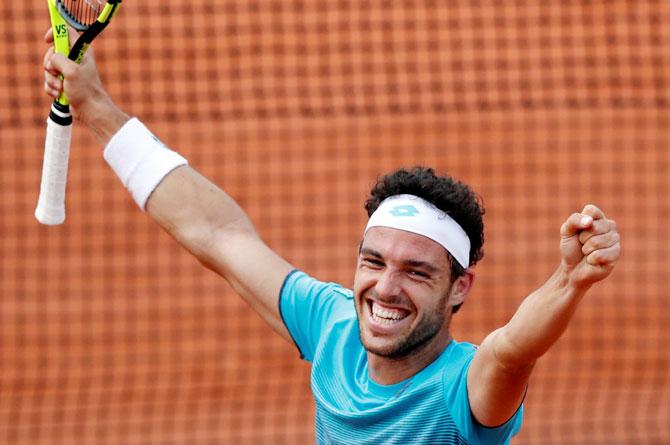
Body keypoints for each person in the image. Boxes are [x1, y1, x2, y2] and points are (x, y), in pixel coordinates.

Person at [42, 30, 620, 444]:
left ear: (460, 288)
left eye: (418, 271)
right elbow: (218, 233)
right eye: (375, 261)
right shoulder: (334, 326)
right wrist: (97, 107)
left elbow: (513, 348)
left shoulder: (463, 393)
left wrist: (568, 281)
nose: (385, 288)